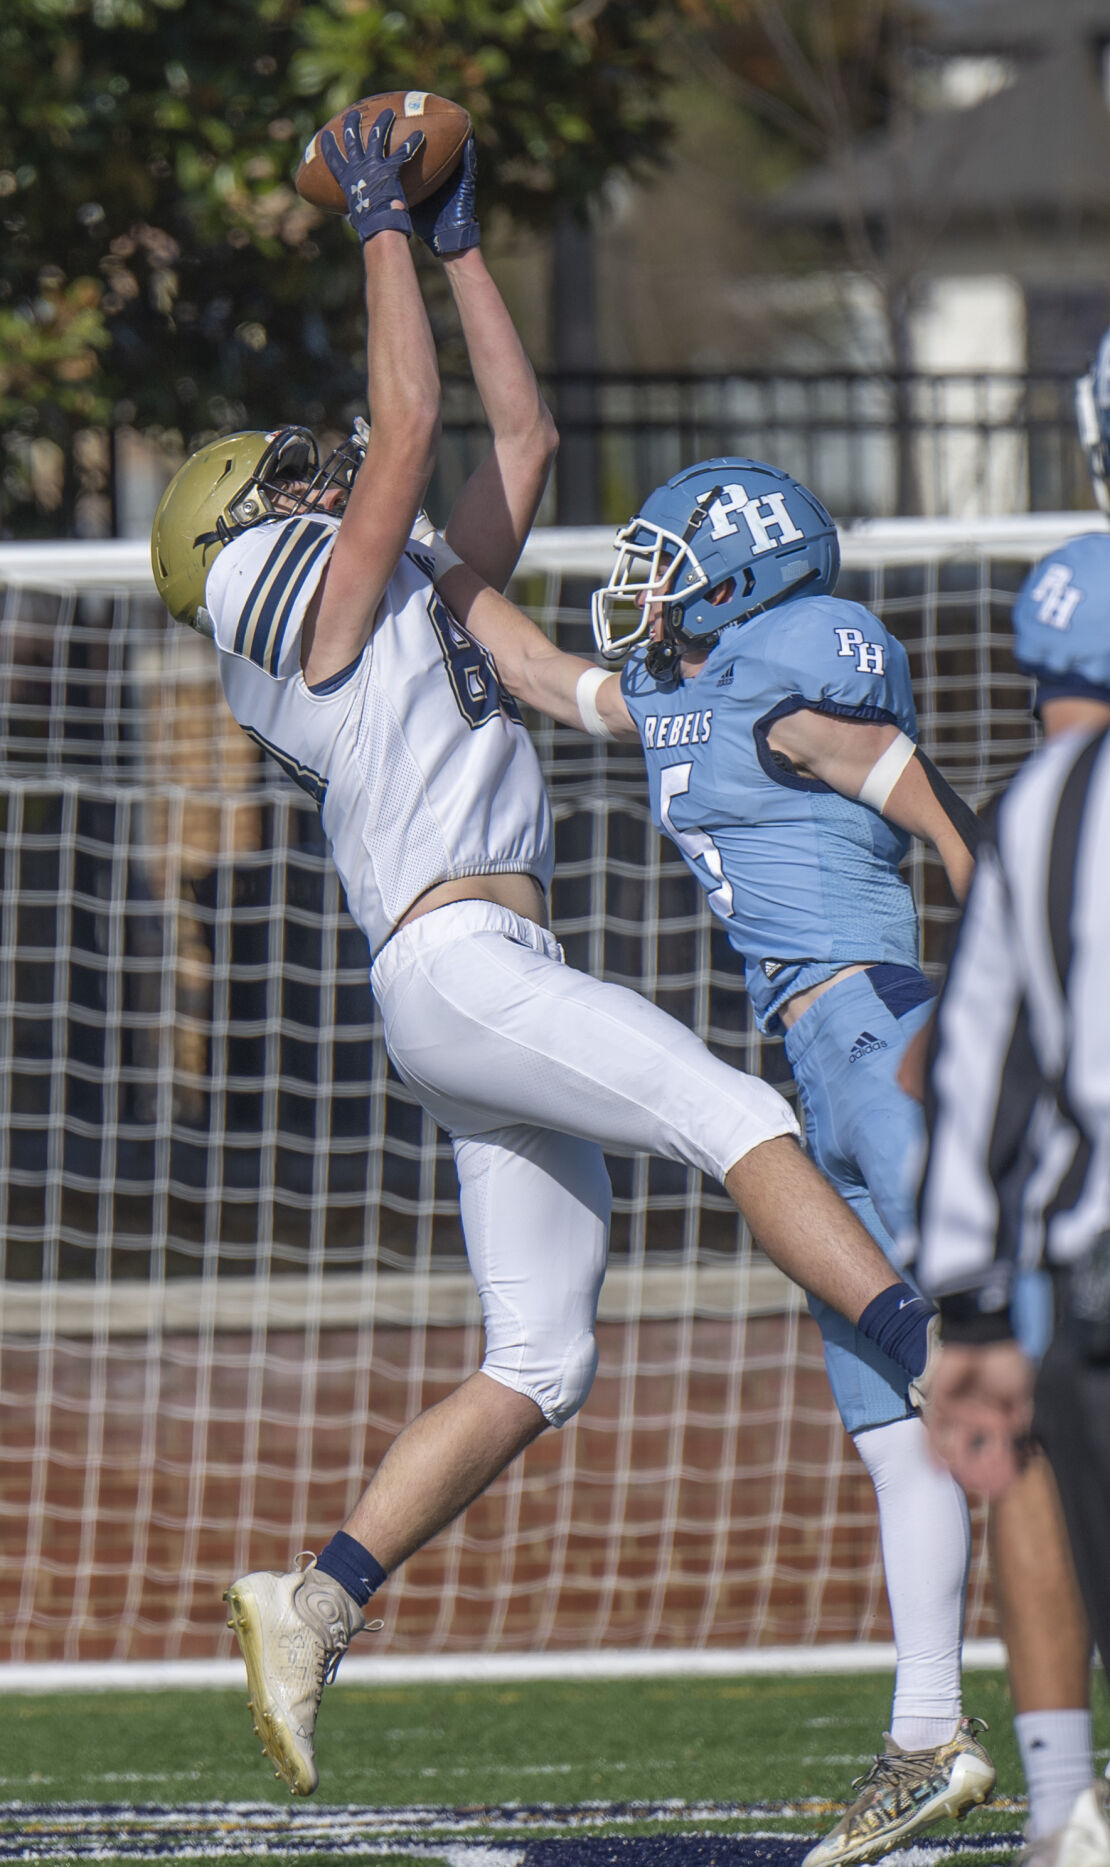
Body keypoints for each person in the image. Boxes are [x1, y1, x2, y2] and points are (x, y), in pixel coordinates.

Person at [150, 111, 936, 1800]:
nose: (325, 479)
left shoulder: (391, 601)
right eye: (291, 483)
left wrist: (456, 245)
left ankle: (315, 1596)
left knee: (539, 1360)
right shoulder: (302, 620)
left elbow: (517, 431)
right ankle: (941, 1354)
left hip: (471, 978)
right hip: (462, 969)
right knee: (735, 1110)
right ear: (240, 549)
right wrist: (371, 219)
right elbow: (418, 418)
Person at [435, 457, 997, 1864]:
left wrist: (1014, 1006)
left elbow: (943, 820)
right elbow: (545, 672)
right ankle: (927, 1737)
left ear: (741, 574)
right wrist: (425, 567)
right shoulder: (686, 689)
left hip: (879, 1041)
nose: (642, 589)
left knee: (1003, 1386)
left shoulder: (791, 674)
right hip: (821, 1073)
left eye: (666, 563)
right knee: (895, 1421)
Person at [910, 532, 1110, 1867]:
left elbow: (964, 1067)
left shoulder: (1047, 806)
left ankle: (1060, 1810)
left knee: (1033, 1477)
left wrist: (968, 1304)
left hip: (1088, 1274)